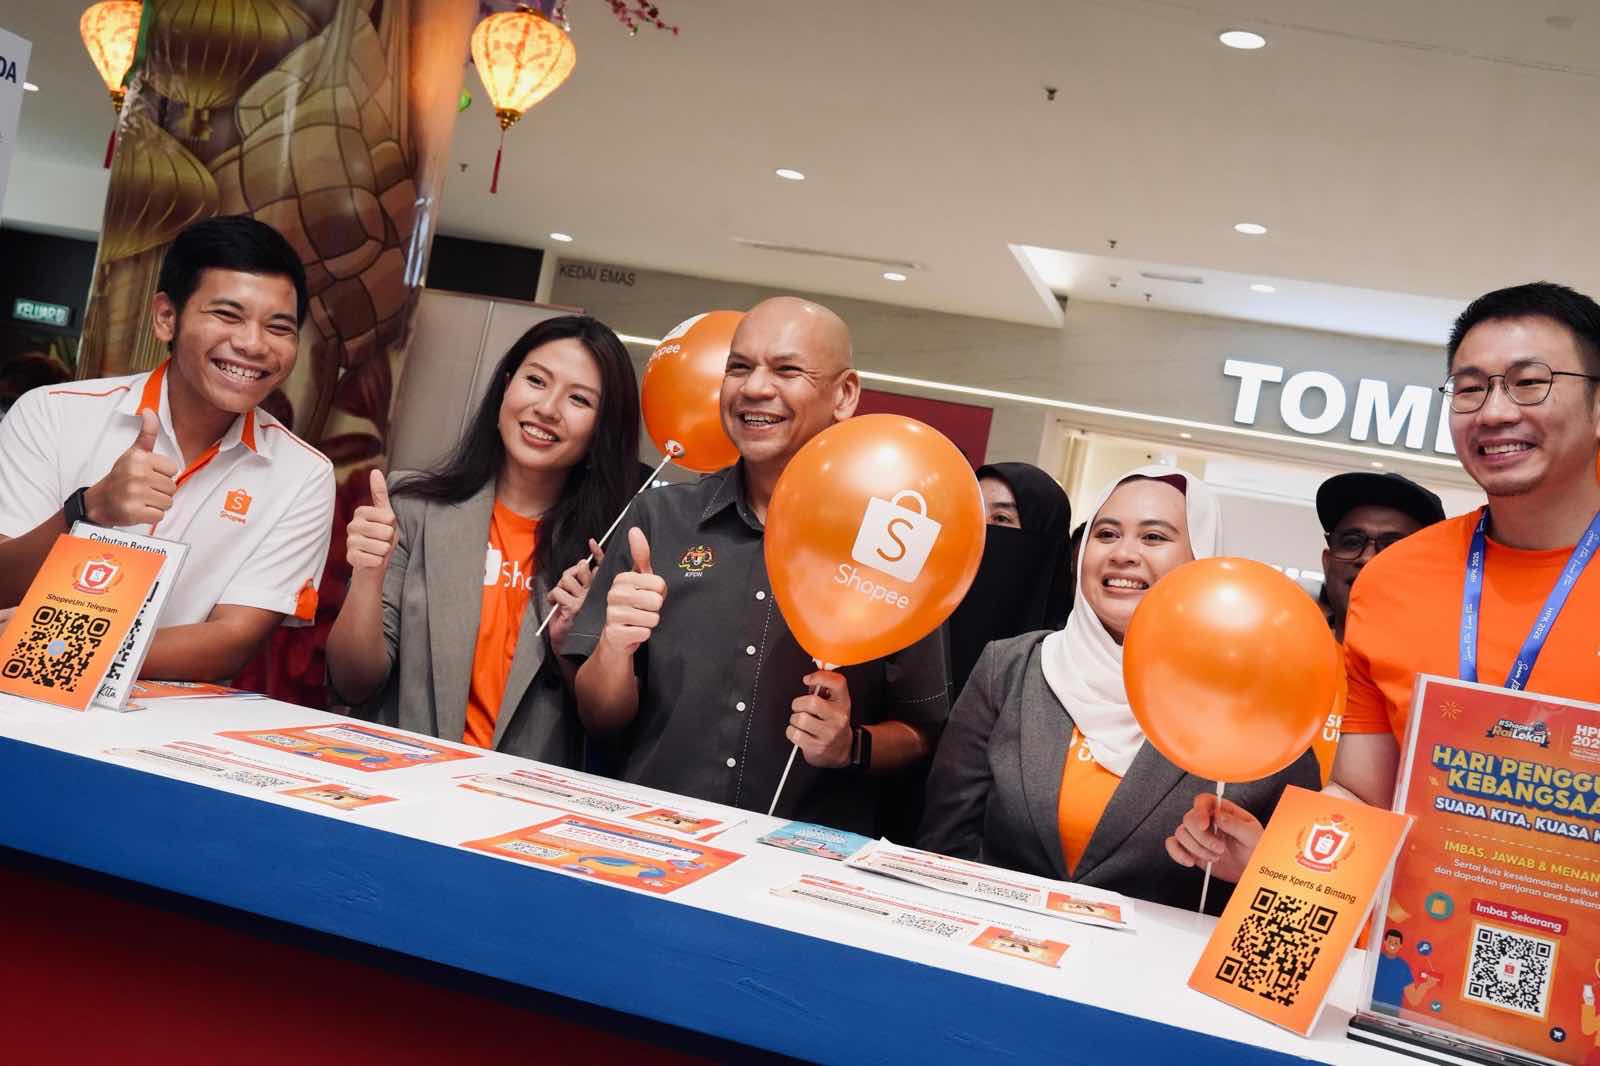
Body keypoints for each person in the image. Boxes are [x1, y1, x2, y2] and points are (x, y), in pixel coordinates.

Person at [1168, 282, 1600, 879]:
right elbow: (1363, 799)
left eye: (1530, 382)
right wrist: (1275, 859)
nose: (1496, 411)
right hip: (1411, 954)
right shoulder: (1393, 579)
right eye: (1470, 388)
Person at [565, 297, 950, 835]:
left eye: (787, 369)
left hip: (803, 866)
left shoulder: (891, 543)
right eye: (738, 367)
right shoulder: (660, 518)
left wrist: (848, 746)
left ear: (845, 395)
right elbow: (598, 718)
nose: (754, 388)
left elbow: (922, 733)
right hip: (651, 842)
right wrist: (613, 648)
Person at [917, 465, 1319, 914]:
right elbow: (944, 843)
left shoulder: (1262, 710)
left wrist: (1256, 875)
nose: (1123, 554)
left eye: (1153, 538)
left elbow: (1294, 911)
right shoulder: (1010, 669)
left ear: (1200, 560)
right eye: (1106, 534)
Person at [0, 216, 334, 681]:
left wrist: (59, 642)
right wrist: (89, 508)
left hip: (159, 725)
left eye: (279, 327)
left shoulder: (303, 474)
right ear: (166, 317)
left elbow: (233, 640)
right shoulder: (52, 414)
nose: (252, 344)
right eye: (227, 315)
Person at [325, 316, 641, 764]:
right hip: (401, 783)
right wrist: (367, 579)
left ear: (601, 430)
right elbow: (353, 680)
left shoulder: (610, 553)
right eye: (536, 381)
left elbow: (608, 725)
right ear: (506, 388)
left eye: (578, 399)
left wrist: (575, 647)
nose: (548, 408)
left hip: (521, 809)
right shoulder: (414, 507)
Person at [949, 463, 1074, 692]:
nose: (980, 528)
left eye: (1002, 518)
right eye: (972, 513)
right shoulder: (925, 618)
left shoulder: (1066, 657)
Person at [1315, 471, 1445, 642]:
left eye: (1393, 547)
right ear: (1327, 562)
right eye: (1352, 542)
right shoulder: (1286, 653)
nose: (1368, 559)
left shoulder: (1453, 665)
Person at [1371, 930, 1439, 1015]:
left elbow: (1414, 999)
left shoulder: (1403, 967)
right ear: (1385, 942)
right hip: (1370, 1009)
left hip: (1391, 1014)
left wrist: (1425, 986)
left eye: (1396, 943)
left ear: (1400, 946)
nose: (1392, 945)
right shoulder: (1375, 959)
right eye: (1390, 941)